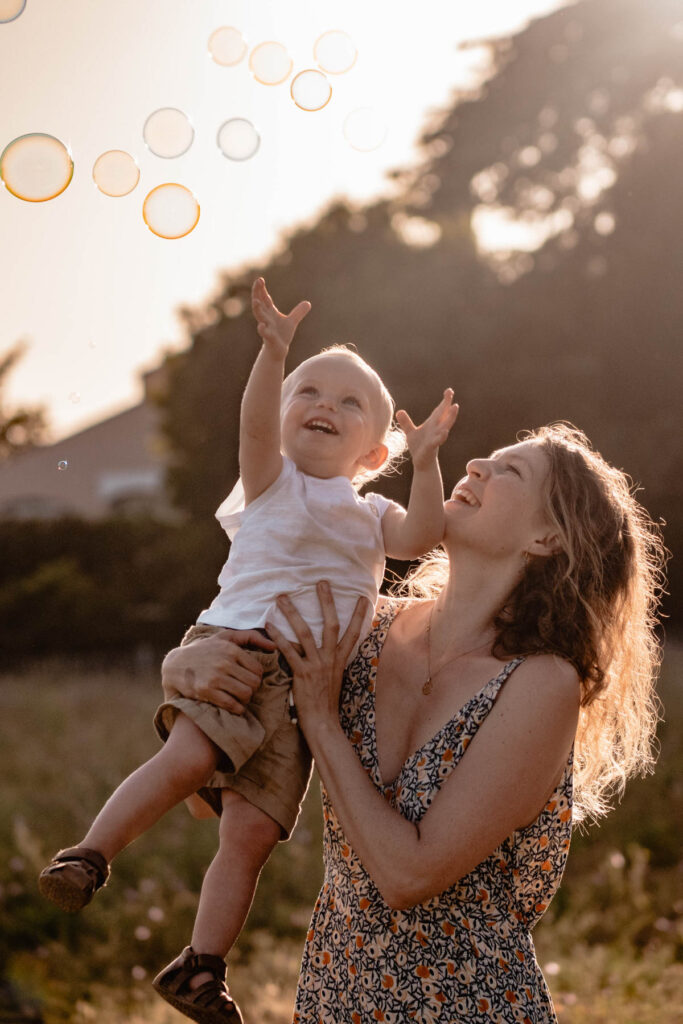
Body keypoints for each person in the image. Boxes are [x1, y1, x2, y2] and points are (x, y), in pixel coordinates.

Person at [38, 278, 459, 1024]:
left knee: (253, 835)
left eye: (348, 402)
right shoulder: (272, 483)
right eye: (308, 392)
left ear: (372, 453)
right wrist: (270, 358)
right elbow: (256, 428)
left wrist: (426, 461)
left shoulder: (370, 515)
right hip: (236, 648)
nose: (323, 405)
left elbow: (423, 537)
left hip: (303, 692)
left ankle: (199, 967)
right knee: (189, 761)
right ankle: (89, 855)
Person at [162, 421, 665, 1023]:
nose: (476, 463)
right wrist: (185, 670)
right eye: (488, 456)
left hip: (471, 1004)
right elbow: (209, 801)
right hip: (334, 993)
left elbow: (408, 875)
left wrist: (321, 719)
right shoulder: (355, 622)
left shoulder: (542, 681)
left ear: (546, 537)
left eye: (511, 471)